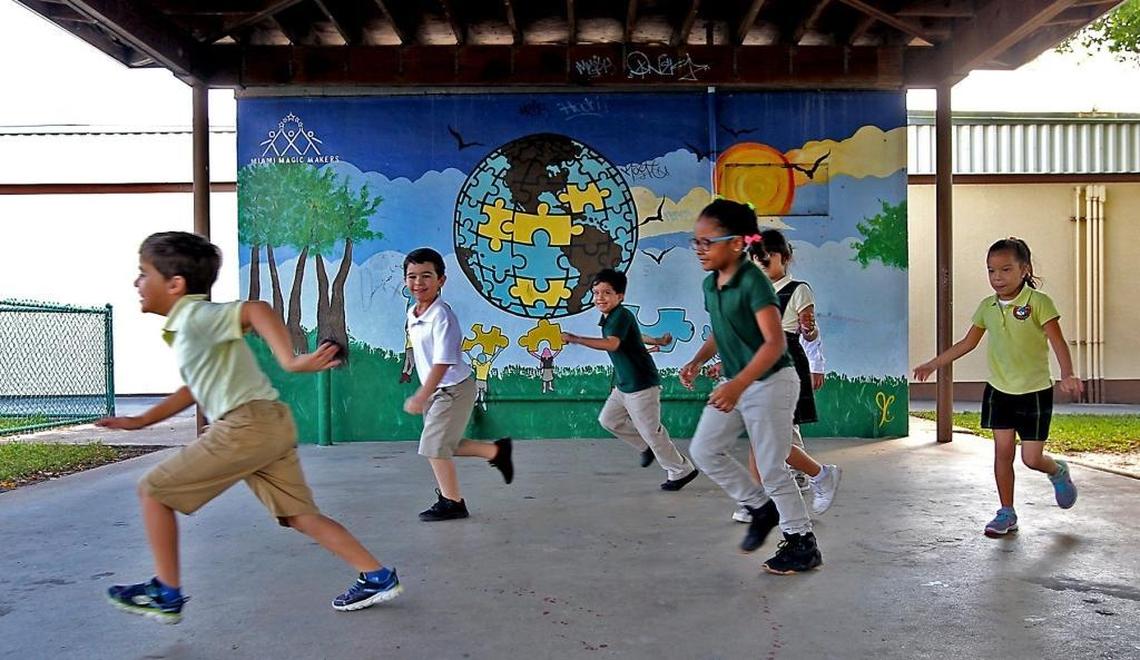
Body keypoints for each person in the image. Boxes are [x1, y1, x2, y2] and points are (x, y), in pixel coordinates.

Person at [98, 231, 401, 623]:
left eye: (142, 273)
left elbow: (256, 309)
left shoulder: (195, 316)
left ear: (175, 284)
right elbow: (195, 387)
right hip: (266, 424)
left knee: (153, 492)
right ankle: (376, 575)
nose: (135, 283)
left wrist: (290, 360)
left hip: (247, 425)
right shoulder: (187, 328)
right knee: (299, 515)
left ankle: (166, 592)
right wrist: (141, 420)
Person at [680, 199, 822, 575]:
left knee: (772, 466)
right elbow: (721, 331)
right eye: (695, 241)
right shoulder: (711, 284)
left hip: (772, 382)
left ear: (738, 243)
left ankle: (801, 542)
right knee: (705, 450)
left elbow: (774, 343)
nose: (699, 250)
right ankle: (760, 508)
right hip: (738, 382)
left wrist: (738, 384)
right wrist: (697, 360)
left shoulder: (754, 282)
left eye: (707, 242)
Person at [914, 237, 1081, 538]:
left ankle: (1057, 471)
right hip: (999, 391)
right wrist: (933, 364)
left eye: (1005, 270)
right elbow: (967, 343)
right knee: (1002, 453)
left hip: (1034, 392)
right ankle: (1007, 512)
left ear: (1025, 270)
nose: (998, 278)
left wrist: (1067, 373)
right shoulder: (987, 307)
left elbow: (1057, 341)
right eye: (991, 271)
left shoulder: (1039, 303)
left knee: (1031, 458)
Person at [733, 229, 841, 523]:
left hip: (785, 361)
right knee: (768, 433)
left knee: (770, 433)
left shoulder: (798, 289)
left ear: (785, 256)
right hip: (758, 362)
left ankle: (805, 478)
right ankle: (795, 481)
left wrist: (810, 330)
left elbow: (810, 329)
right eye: (755, 259)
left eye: (768, 257)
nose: (761, 263)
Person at [561, 268, 700, 491]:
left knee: (652, 431)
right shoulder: (612, 317)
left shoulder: (621, 315)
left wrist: (577, 339)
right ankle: (645, 446)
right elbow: (634, 335)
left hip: (641, 384)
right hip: (625, 384)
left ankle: (681, 470)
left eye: (606, 293)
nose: (600, 298)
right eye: (596, 293)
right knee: (609, 420)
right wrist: (657, 340)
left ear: (620, 296)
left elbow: (613, 344)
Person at [402, 248, 514, 522]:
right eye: (412, 276)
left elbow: (442, 362)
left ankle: (453, 502)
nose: (419, 282)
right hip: (436, 390)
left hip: (452, 389)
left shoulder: (443, 316)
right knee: (444, 444)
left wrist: (421, 395)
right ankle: (496, 451)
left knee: (432, 446)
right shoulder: (413, 312)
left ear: (441, 280)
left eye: (426, 276)